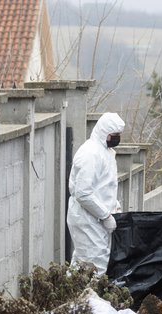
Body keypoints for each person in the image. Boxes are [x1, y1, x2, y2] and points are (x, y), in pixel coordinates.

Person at [67, 112, 125, 275]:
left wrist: (114, 207)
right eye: (114, 135)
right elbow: (83, 193)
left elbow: (106, 185)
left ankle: (69, 297)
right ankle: (91, 299)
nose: (117, 138)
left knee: (82, 264)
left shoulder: (106, 152)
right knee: (96, 265)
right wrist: (105, 215)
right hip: (87, 218)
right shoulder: (90, 154)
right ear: (104, 133)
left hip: (95, 218)